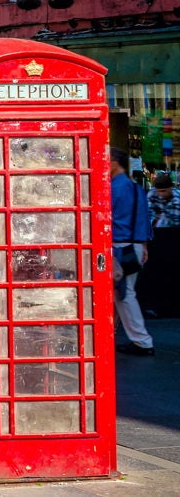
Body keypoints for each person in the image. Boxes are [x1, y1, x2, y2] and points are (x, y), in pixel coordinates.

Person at [111, 150, 154, 355]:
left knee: (125, 294)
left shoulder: (112, 188)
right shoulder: (137, 188)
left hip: (119, 247)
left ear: (114, 163)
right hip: (135, 246)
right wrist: (144, 245)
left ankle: (142, 341)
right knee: (120, 293)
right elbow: (144, 218)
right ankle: (114, 333)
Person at [141, 171, 180, 318]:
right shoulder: (152, 195)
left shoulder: (178, 198)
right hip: (157, 239)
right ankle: (156, 306)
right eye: (159, 191)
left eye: (164, 191)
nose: (162, 194)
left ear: (171, 188)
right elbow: (147, 216)